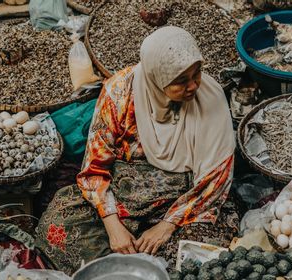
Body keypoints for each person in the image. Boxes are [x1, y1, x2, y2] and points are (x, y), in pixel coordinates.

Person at [35, 26, 238, 274]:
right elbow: (94, 169)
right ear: (157, 78)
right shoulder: (119, 93)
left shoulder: (210, 96)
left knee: (197, 256)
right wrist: (113, 227)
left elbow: (216, 177)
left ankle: (134, 265)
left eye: (197, 73)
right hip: (125, 193)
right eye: (181, 81)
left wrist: (167, 225)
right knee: (59, 223)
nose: (194, 85)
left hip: (184, 198)